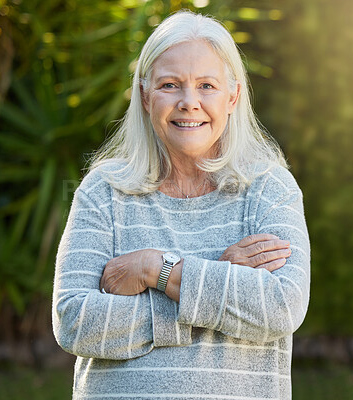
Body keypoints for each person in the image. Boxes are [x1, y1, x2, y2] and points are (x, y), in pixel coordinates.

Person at [53, 10, 310, 400]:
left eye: (206, 85)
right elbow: (74, 321)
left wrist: (155, 269)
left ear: (232, 95)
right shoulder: (103, 191)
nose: (189, 102)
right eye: (170, 85)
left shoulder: (268, 188)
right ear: (144, 95)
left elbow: (280, 307)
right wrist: (212, 282)